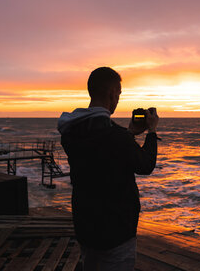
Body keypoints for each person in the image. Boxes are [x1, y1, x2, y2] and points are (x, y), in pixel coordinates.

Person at [58, 66, 159, 271]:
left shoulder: (71, 132)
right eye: (119, 94)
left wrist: (129, 132)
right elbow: (145, 165)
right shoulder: (116, 137)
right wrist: (152, 132)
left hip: (86, 224)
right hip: (116, 230)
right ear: (112, 93)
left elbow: (103, 150)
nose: (118, 99)